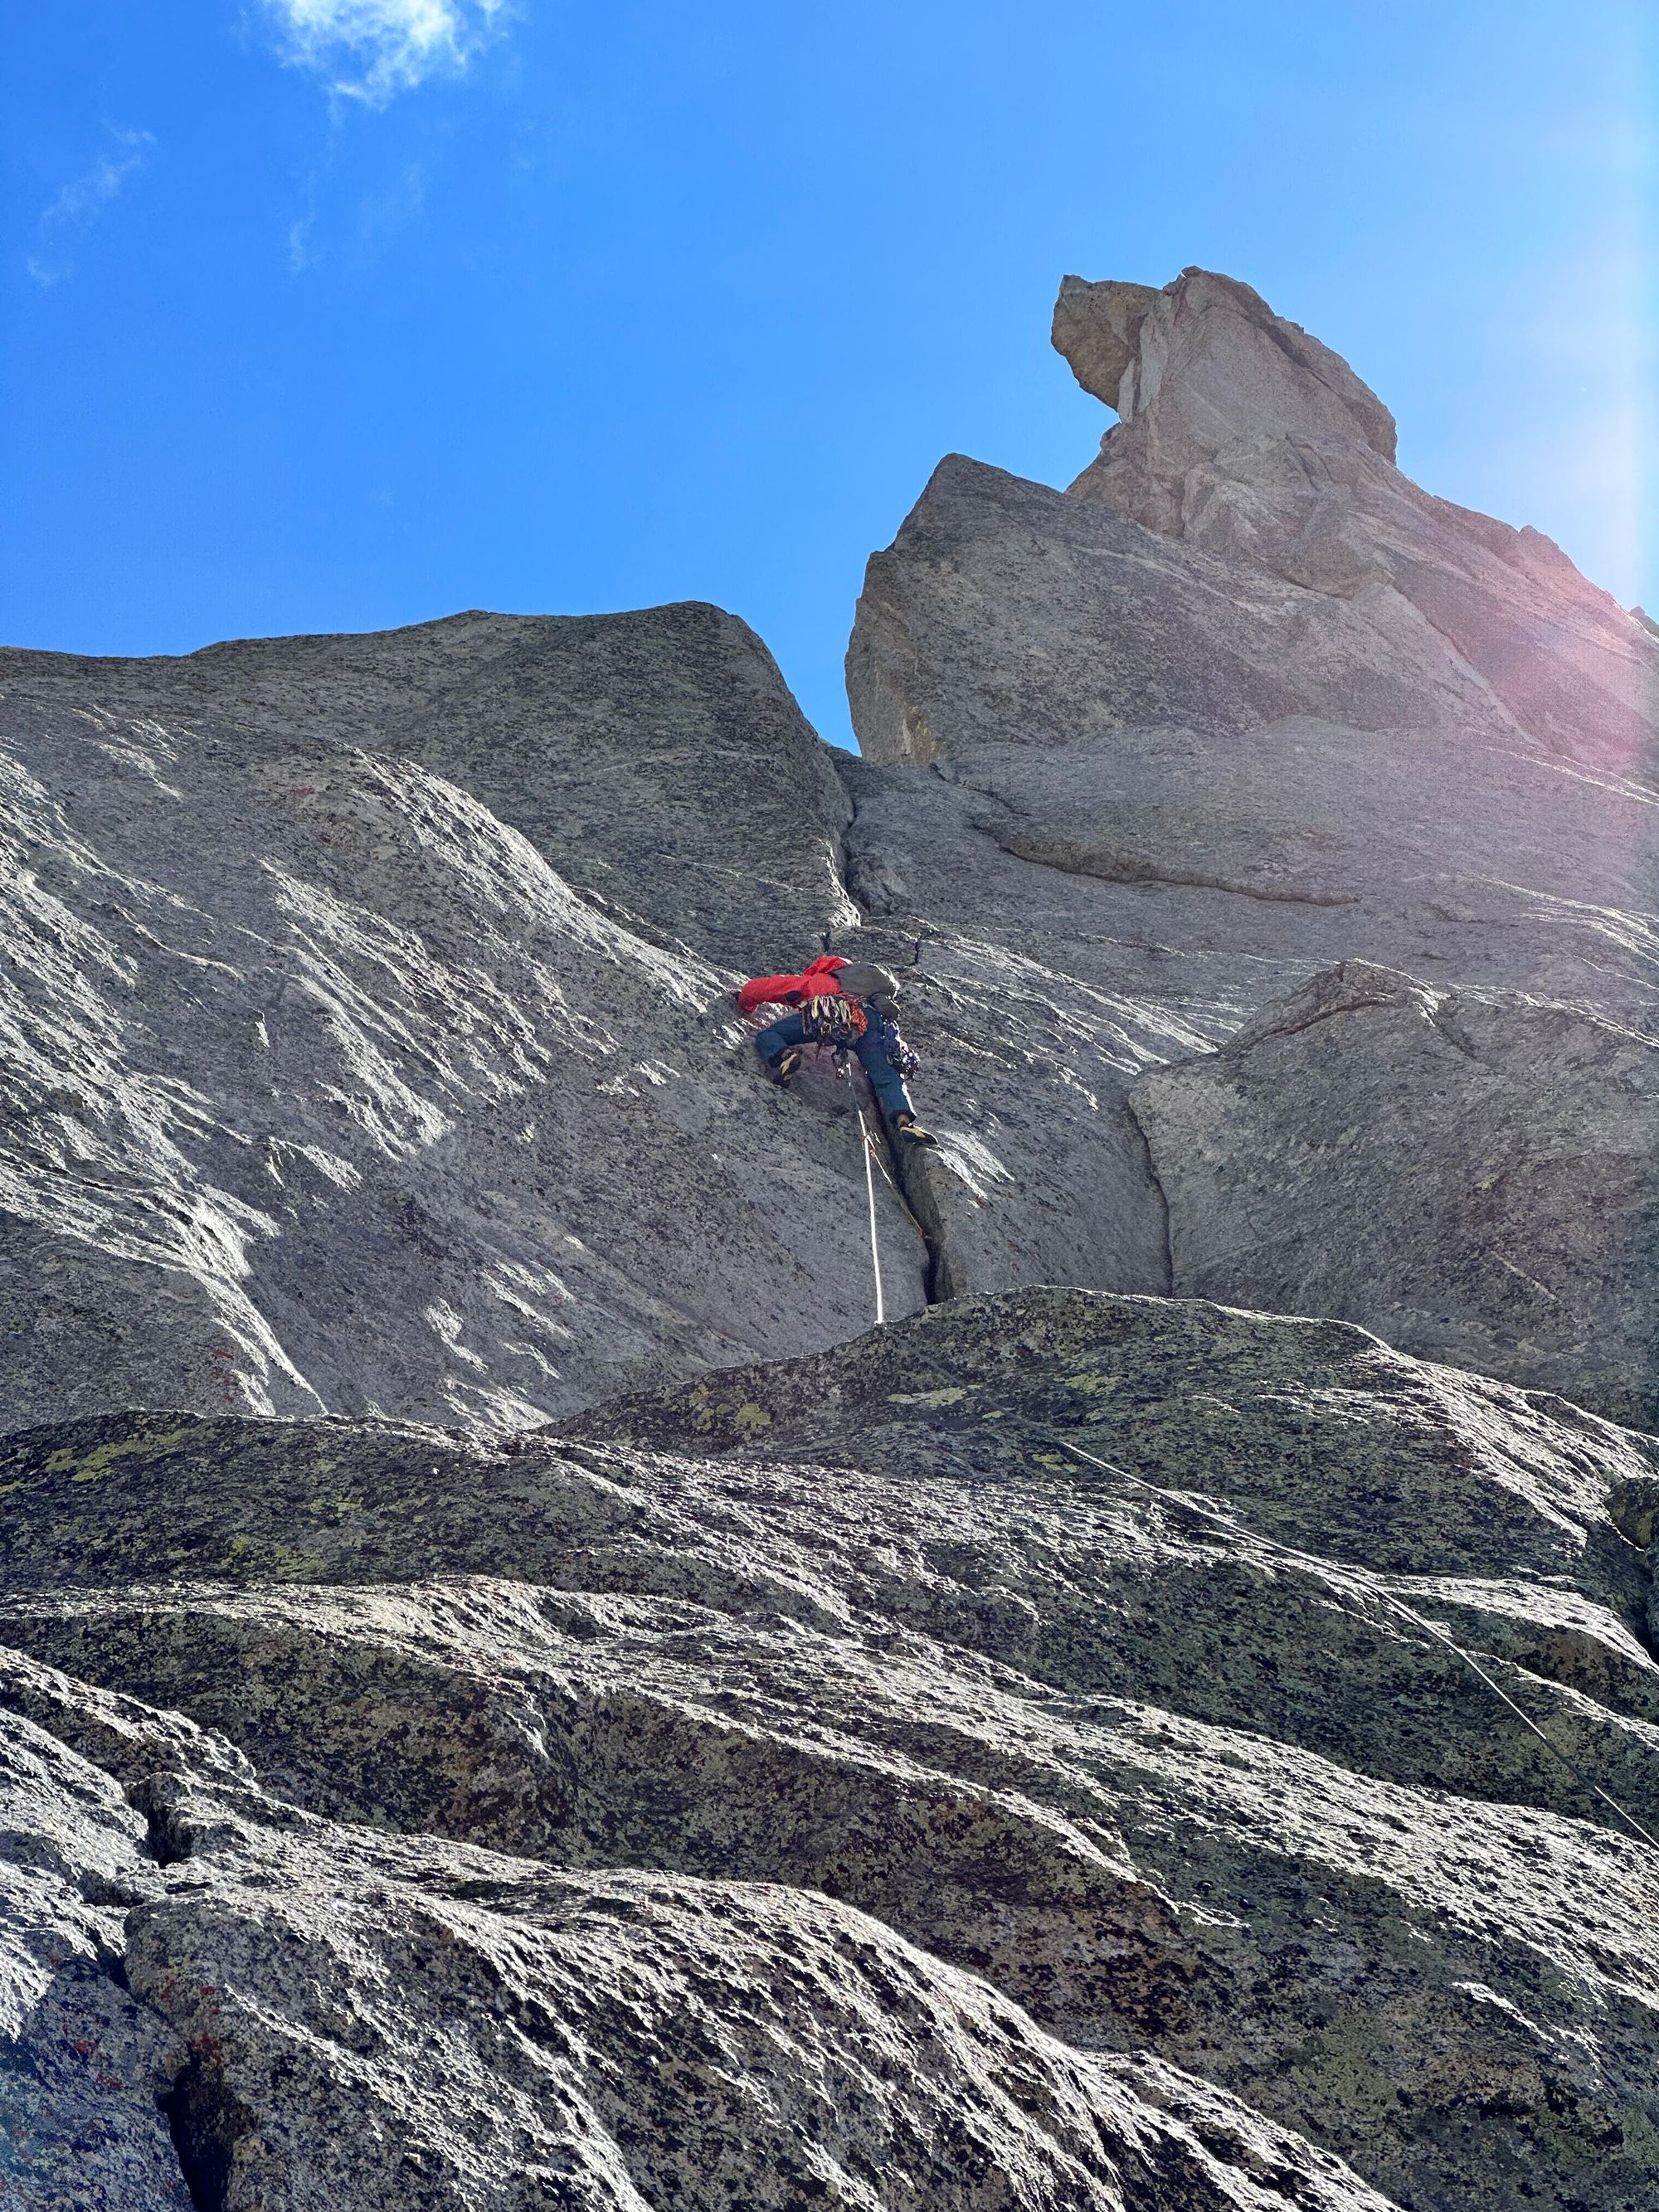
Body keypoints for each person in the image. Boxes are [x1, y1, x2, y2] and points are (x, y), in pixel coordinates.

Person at [737, 956, 939, 1145]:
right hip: (872, 1025)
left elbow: (769, 988)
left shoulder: (824, 980)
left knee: (769, 1035)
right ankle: (905, 1123)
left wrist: (745, 1002)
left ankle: (786, 1057)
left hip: (832, 1014)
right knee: (887, 1075)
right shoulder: (873, 995)